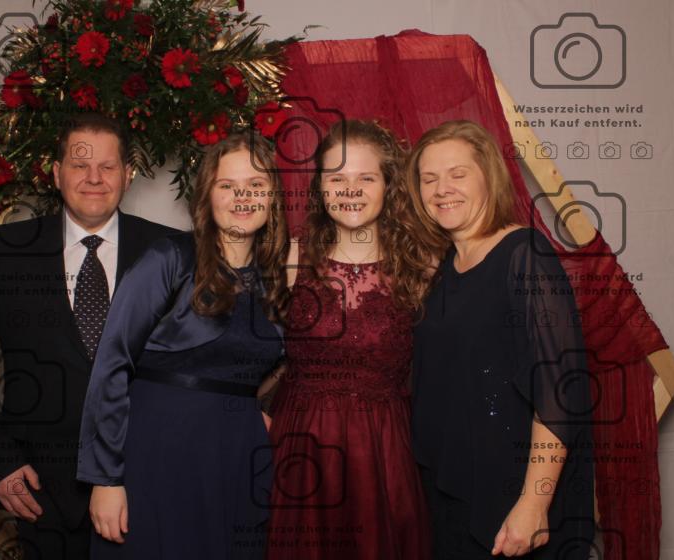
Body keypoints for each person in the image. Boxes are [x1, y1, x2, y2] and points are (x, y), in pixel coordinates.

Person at [0, 112, 177, 559]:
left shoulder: (170, 250)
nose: (94, 178)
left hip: (145, 482)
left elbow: (195, 362)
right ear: (56, 172)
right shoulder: (7, 249)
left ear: (128, 174)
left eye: (107, 166)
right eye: (79, 165)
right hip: (41, 493)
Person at [77, 131, 289, 559]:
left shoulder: (277, 279)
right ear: (207, 195)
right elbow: (112, 363)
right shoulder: (170, 258)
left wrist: (265, 412)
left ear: (273, 199)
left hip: (237, 457)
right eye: (227, 185)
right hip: (159, 451)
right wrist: (106, 479)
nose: (242, 197)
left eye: (256, 185)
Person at [406, 120, 595, 559]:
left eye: (457, 174)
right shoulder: (446, 267)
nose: (442, 189)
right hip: (453, 488)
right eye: (429, 179)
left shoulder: (525, 255)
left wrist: (534, 503)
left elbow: (560, 393)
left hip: (512, 495)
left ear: (488, 176)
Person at [264, 120, 435, 560]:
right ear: (320, 188)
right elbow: (252, 351)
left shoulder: (421, 267)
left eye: (366, 178)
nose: (350, 190)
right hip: (301, 448)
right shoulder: (291, 256)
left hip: (385, 453)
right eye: (337, 179)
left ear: (388, 185)